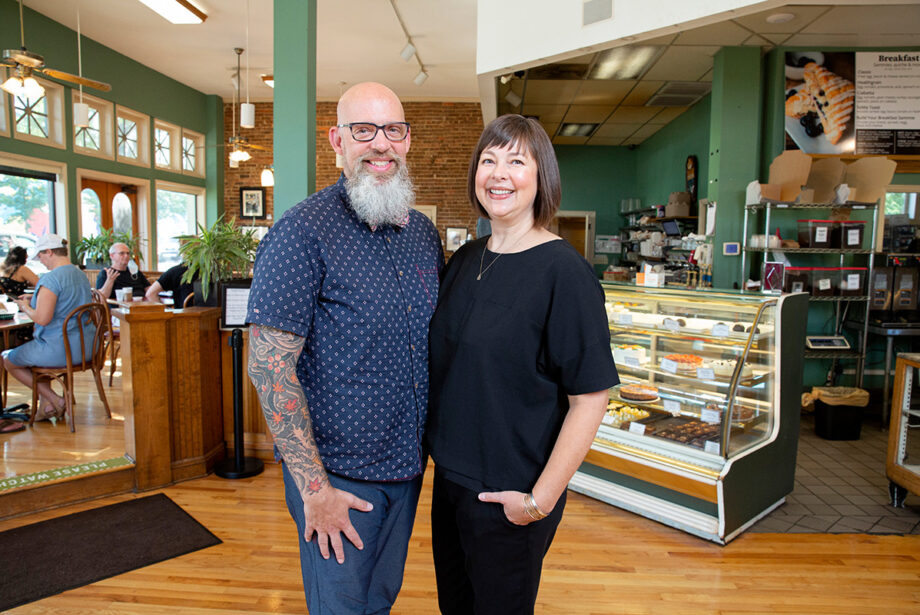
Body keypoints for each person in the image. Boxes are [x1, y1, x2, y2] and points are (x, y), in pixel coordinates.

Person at [246, 82, 443, 613]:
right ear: (337, 140)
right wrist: (315, 491)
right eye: (364, 130)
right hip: (337, 478)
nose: (381, 144)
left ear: (406, 140)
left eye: (393, 130)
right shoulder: (302, 231)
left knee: (380, 601)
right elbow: (269, 369)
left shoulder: (422, 234)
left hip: (406, 467)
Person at [425, 114, 619, 614]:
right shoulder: (465, 260)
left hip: (513, 493)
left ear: (541, 176)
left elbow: (590, 399)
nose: (499, 174)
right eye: (488, 160)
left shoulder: (565, 272)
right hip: (451, 484)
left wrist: (538, 502)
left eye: (516, 161)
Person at [2, 234, 95, 424]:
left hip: (60, 349)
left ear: (50, 252)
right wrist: (35, 298)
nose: (41, 261)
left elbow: (42, 319)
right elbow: (65, 302)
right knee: (32, 352)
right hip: (86, 346)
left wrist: (25, 307)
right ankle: (46, 405)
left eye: (41, 256)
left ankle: (55, 399)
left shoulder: (51, 279)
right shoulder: (80, 274)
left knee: (8, 359)